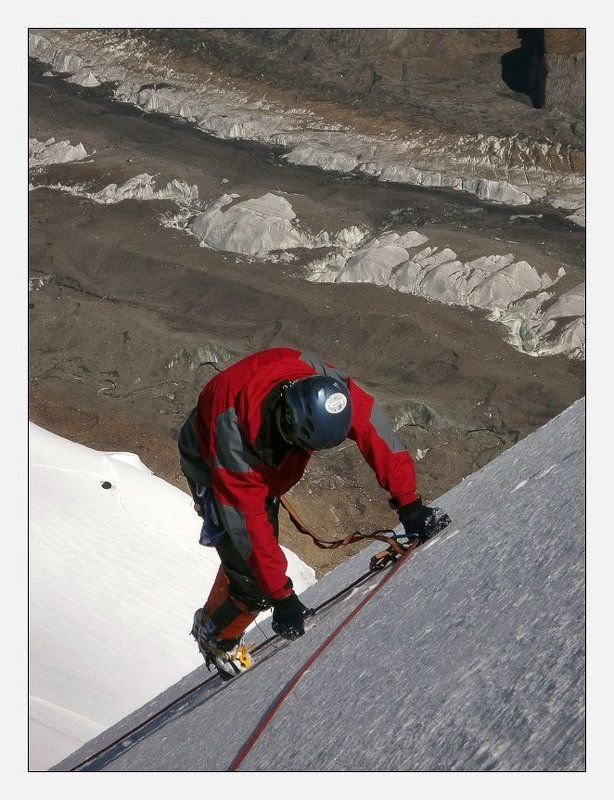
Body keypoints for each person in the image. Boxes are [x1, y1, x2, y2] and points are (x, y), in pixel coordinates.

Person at [178, 347, 450, 680]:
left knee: (254, 557)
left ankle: (242, 596)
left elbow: (373, 429)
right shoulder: (234, 441)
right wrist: (281, 597)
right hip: (208, 460)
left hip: (257, 442)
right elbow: (247, 526)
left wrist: (410, 504)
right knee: (253, 576)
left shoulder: (326, 386)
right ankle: (216, 634)